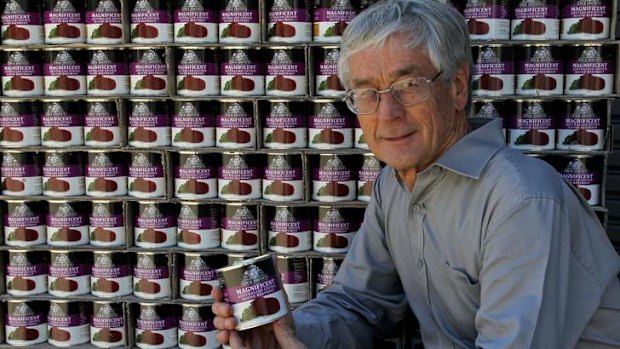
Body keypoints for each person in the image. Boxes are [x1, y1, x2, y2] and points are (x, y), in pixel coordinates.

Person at [212, 0, 620, 347]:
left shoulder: (520, 198)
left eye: (408, 85)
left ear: (458, 86)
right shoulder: (395, 184)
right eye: (367, 93)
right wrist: (286, 331)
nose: (387, 114)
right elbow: (359, 304)